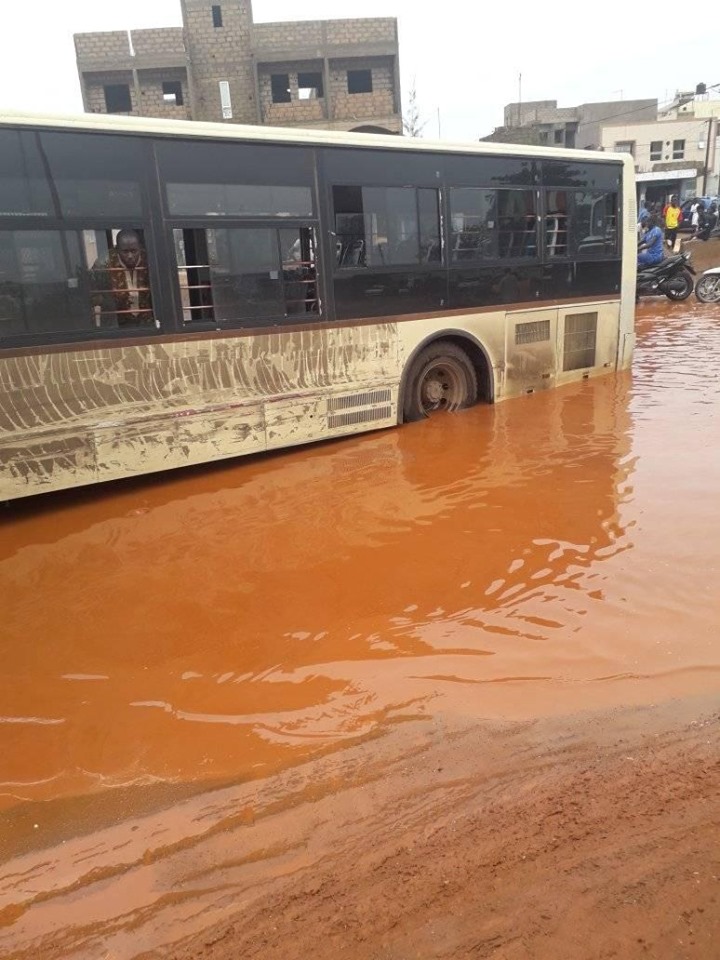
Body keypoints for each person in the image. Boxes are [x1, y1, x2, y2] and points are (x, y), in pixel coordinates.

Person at [91, 229, 154, 327]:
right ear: (117, 249)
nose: (130, 256)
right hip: (115, 322)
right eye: (125, 251)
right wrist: (109, 300)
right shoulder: (103, 263)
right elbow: (92, 295)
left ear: (140, 248)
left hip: (146, 320)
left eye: (134, 251)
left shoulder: (149, 260)